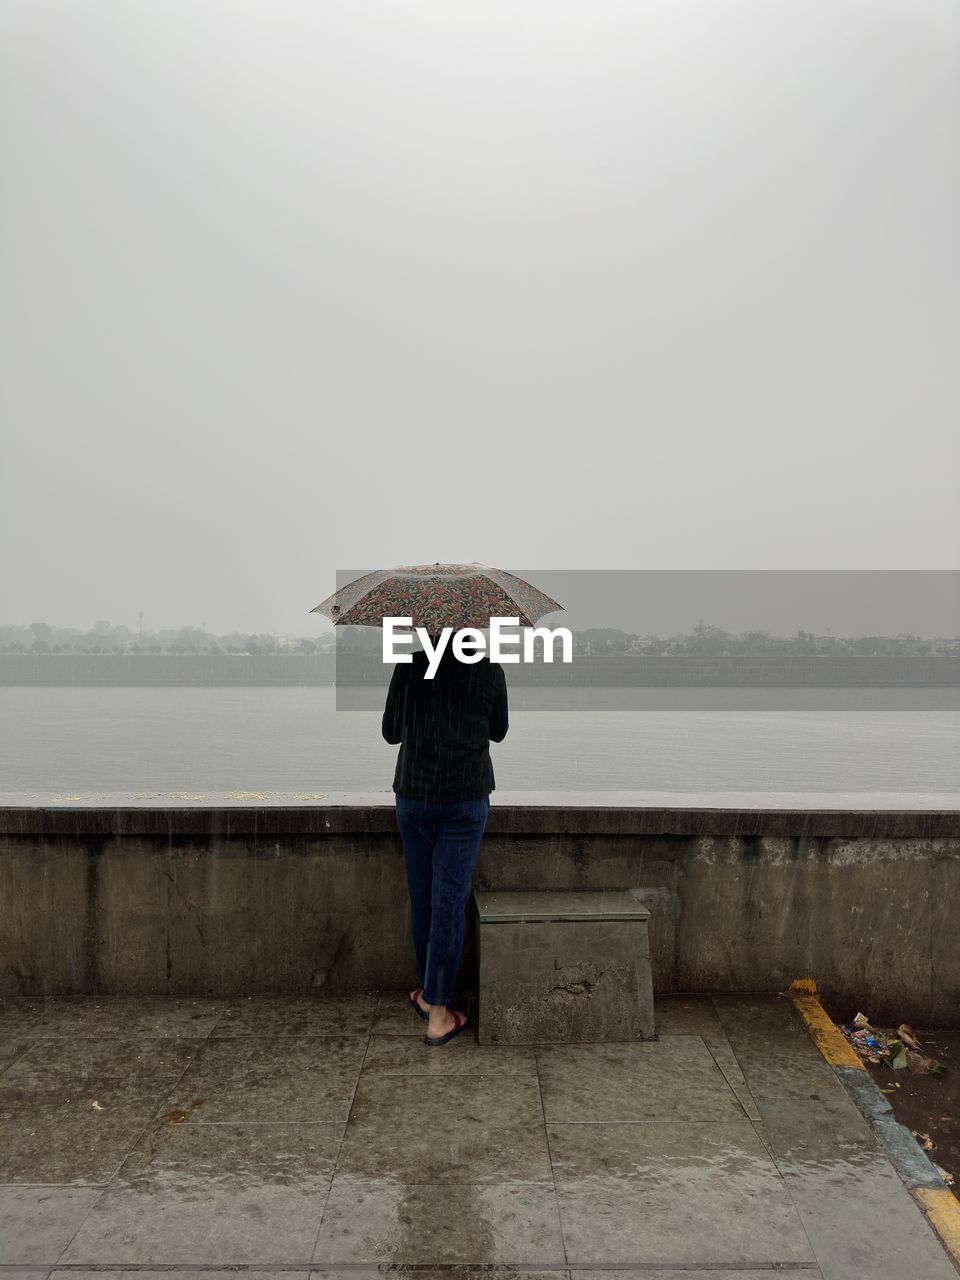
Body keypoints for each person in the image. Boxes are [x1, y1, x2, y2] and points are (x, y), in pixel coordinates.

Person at [381, 635, 508, 1046]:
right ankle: (438, 1011)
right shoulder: (488, 670)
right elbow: (499, 732)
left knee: (422, 896)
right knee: (448, 901)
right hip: (464, 800)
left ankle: (426, 993)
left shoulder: (410, 666)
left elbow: (390, 734)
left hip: (415, 797)